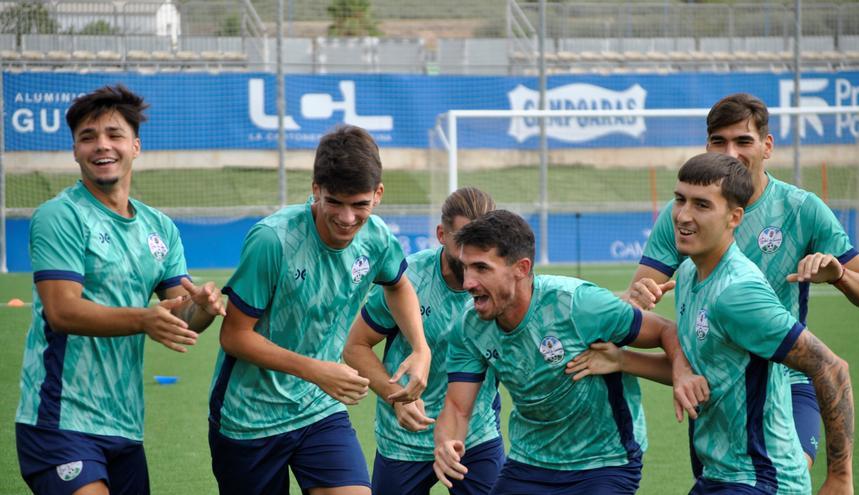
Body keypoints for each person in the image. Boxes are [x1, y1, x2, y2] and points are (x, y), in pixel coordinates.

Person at [625, 93, 859, 467]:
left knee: (783, 478)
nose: (731, 152)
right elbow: (637, 306)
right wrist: (639, 296)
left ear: (767, 146)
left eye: (743, 141)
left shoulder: (800, 209)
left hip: (787, 380)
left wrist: (839, 275)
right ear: (707, 146)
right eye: (719, 141)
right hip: (718, 387)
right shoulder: (684, 211)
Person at [587, 153, 854, 493]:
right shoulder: (687, 274)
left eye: (702, 205)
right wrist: (622, 360)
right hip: (720, 475)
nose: (683, 215)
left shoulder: (738, 293)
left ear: (734, 217)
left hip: (761, 480)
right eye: (679, 200)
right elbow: (712, 374)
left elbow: (832, 368)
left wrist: (840, 477)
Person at [15, 84, 226, 495]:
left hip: (125, 424)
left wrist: (202, 307)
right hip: (60, 418)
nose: (101, 146)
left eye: (113, 135)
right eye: (87, 138)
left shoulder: (159, 228)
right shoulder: (60, 216)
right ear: (75, 151)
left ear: (135, 145)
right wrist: (144, 319)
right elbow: (62, 311)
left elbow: (179, 317)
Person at [209, 125, 431, 495]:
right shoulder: (272, 240)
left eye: (360, 204)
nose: (347, 218)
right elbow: (234, 336)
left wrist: (420, 348)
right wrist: (317, 371)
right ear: (316, 189)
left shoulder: (377, 238)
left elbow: (399, 285)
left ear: (378, 195)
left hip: (319, 411)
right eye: (335, 202)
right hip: (249, 418)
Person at [432, 210, 707, 495]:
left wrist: (682, 372)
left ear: (522, 268)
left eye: (481, 268)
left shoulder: (577, 305)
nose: (467, 283)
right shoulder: (469, 325)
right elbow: (456, 407)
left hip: (604, 460)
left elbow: (665, 330)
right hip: (530, 460)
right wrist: (445, 442)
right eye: (466, 268)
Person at [343, 187, 504, 495]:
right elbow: (355, 346)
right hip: (405, 439)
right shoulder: (408, 280)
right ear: (441, 234)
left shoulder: (501, 282)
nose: (473, 253)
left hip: (474, 435)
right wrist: (396, 396)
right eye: (463, 240)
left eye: (484, 242)